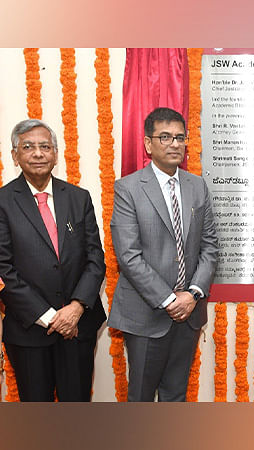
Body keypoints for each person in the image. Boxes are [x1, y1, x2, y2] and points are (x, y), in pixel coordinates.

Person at [109, 107, 218, 402]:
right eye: (165, 137)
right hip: (146, 314)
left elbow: (210, 245)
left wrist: (192, 294)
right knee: (142, 398)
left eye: (180, 138)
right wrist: (170, 300)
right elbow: (128, 255)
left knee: (176, 396)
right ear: (148, 144)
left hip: (189, 314)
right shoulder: (128, 188)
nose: (174, 144)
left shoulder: (198, 186)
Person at [0, 119, 106, 401]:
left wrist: (76, 307)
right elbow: (4, 270)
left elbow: (95, 258)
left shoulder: (78, 197)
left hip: (77, 327)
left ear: (55, 154)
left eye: (45, 146)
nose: (38, 153)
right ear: (15, 155)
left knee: (76, 409)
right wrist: (51, 318)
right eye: (28, 147)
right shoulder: (3, 202)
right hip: (29, 332)